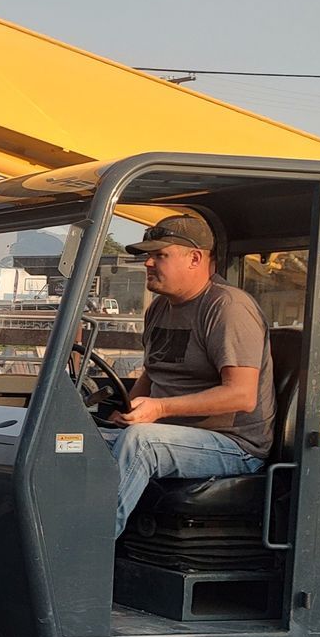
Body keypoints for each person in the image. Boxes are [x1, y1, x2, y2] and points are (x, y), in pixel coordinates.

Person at [106, 214, 273, 536]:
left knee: (140, 443)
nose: (148, 263)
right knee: (72, 442)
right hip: (171, 434)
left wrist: (159, 408)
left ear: (195, 258)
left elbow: (242, 395)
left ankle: (86, 552)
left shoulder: (228, 307)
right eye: (148, 256)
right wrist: (127, 412)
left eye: (160, 255)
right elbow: (153, 375)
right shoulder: (159, 309)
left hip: (234, 445)